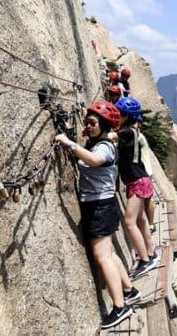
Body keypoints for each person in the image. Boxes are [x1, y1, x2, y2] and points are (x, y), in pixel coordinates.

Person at [55, 101, 141, 329]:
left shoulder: (104, 147)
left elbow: (94, 160)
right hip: (103, 204)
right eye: (87, 122)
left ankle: (120, 307)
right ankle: (129, 290)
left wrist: (70, 144)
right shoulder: (97, 143)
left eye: (93, 123)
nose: (88, 126)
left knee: (102, 256)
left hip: (100, 206)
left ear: (104, 125)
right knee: (109, 254)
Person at [113, 97, 159, 278]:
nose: (116, 117)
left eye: (118, 114)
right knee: (140, 219)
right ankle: (150, 252)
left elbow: (111, 136)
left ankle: (145, 260)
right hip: (140, 180)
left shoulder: (127, 132)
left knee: (129, 222)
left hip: (137, 181)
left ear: (125, 116)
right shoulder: (132, 132)